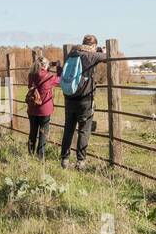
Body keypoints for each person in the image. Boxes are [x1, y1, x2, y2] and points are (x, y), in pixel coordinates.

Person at [59, 35, 107, 170]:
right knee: (84, 130)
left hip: (69, 98)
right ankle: (80, 162)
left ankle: (64, 159)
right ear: (93, 46)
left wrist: (95, 49)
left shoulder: (72, 54)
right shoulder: (91, 56)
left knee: (68, 129)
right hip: (85, 99)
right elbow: (107, 57)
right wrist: (100, 51)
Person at [26, 55, 61, 159]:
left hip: (32, 108)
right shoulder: (48, 76)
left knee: (33, 131)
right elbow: (59, 80)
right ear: (45, 65)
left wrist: (48, 65)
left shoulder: (31, 74)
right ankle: (40, 156)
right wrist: (58, 67)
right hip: (44, 109)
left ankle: (30, 153)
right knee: (43, 133)